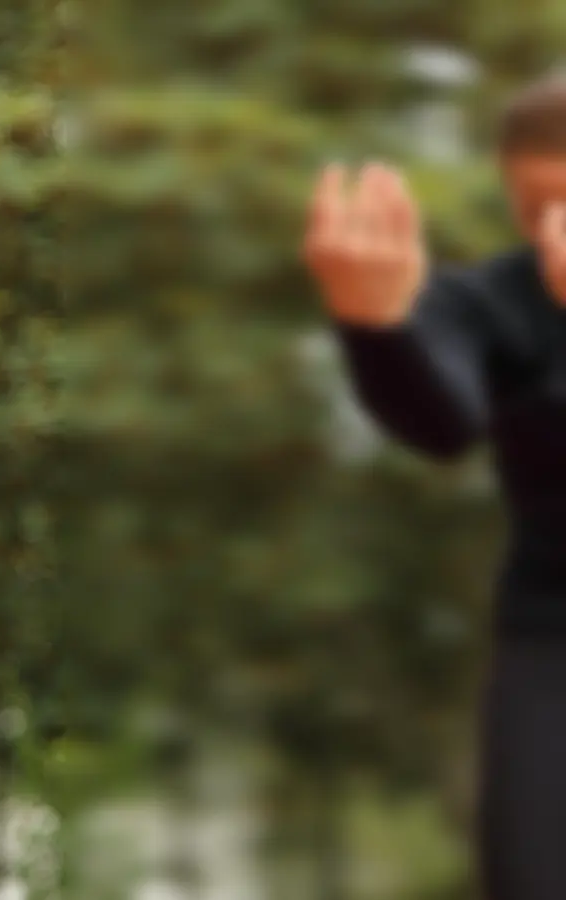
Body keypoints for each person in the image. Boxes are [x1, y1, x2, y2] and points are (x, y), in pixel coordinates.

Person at [303, 74, 566, 900]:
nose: (557, 233)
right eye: (536, 209)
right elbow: (442, 421)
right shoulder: (491, 302)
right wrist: (374, 327)